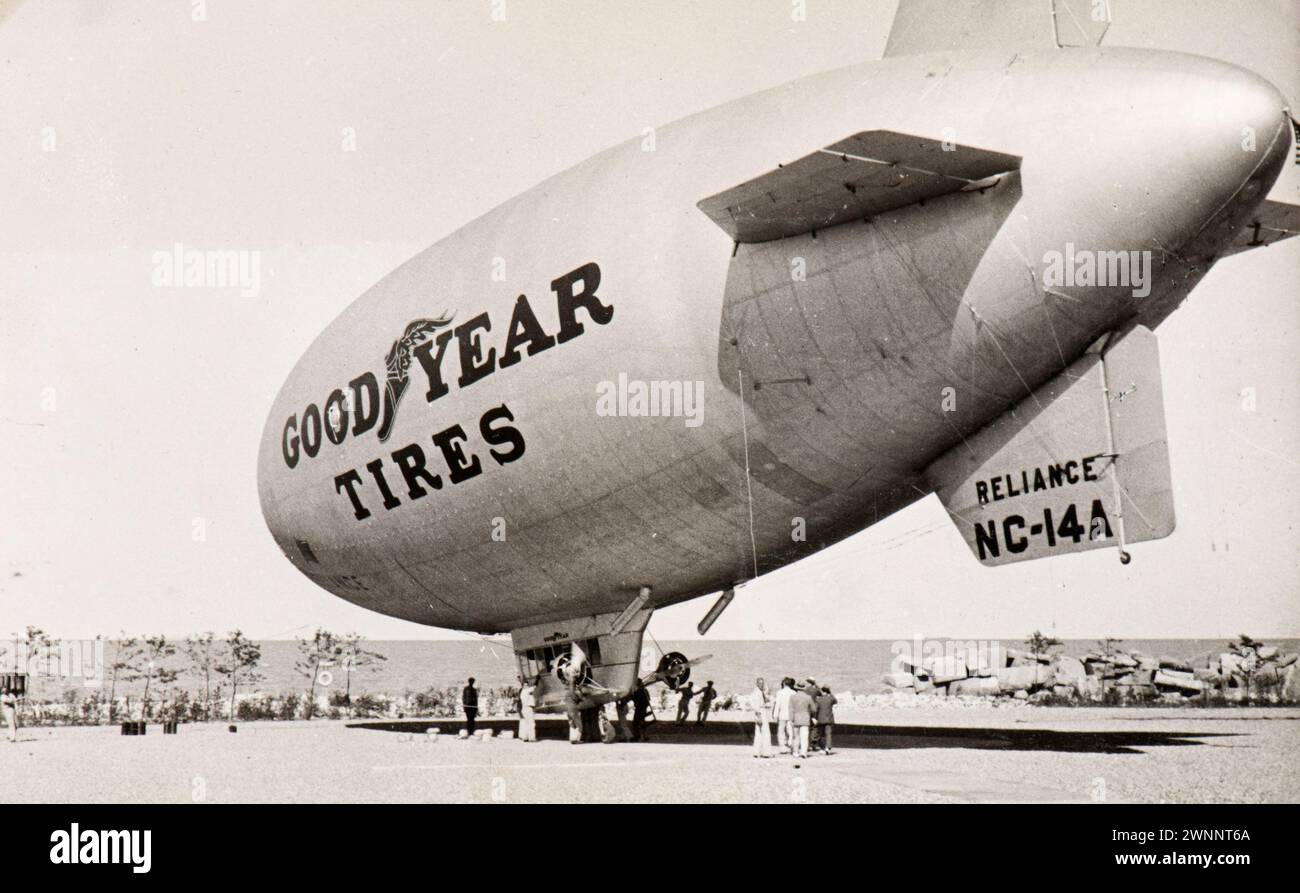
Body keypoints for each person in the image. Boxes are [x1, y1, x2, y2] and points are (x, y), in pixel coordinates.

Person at [789, 681, 814, 758]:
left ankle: (796, 752)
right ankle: (803, 752)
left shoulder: (792, 697)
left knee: (796, 737)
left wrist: (791, 719)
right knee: (804, 736)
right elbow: (814, 709)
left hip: (796, 718)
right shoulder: (808, 697)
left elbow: (790, 709)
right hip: (805, 718)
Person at [750, 677, 772, 758]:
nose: (762, 685)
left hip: (760, 712)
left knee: (758, 733)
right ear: (757, 684)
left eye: (762, 683)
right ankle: (766, 752)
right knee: (765, 733)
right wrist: (759, 716)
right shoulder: (757, 693)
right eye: (760, 683)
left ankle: (757, 752)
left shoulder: (759, 692)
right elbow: (756, 706)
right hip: (760, 712)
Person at [772, 677, 794, 754]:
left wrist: (775, 715)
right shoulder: (793, 693)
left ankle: (783, 747)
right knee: (790, 730)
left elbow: (777, 704)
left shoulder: (779, 692)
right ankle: (791, 743)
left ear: (784, 683)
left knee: (781, 731)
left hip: (782, 714)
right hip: (791, 715)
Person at [817, 685, 837, 754]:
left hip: (820, 718)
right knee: (828, 734)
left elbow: (816, 708)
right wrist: (830, 694)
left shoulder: (819, 699)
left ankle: (822, 747)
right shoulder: (830, 698)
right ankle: (828, 747)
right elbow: (835, 701)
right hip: (829, 718)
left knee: (821, 734)